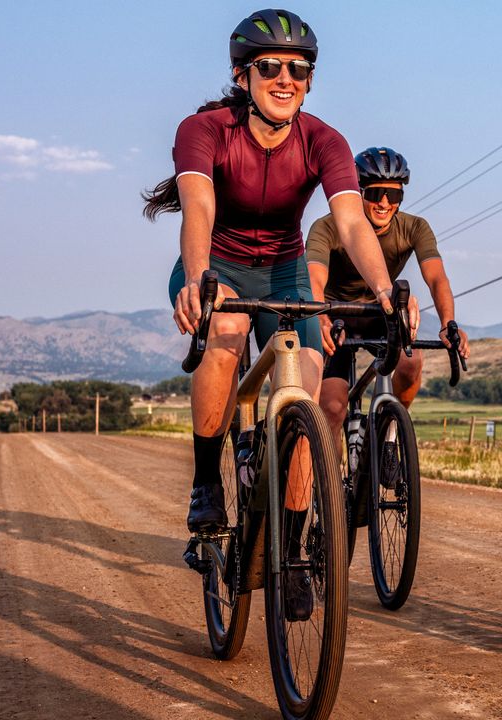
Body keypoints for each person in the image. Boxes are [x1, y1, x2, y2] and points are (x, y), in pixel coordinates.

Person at [142, 9, 418, 537]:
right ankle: (206, 483)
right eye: (269, 67)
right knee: (225, 338)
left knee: (306, 390)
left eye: (297, 69)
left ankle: (292, 540)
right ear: (244, 76)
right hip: (217, 261)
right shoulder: (203, 131)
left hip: (284, 271)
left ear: (310, 82)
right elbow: (198, 207)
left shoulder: (324, 140)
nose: (284, 79)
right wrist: (201, 278)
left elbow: (353, 224)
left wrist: (386, 289)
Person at [306, 147, 470, 435]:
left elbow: (436, 278)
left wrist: (448, 323)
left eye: (393, 195)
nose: (384, 203)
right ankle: (329, 478)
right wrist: (318, 314)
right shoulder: (328, 227)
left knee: (410, 362)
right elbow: (314, 276)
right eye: (375, 193)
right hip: (334, 315)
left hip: (377, 311)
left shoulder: (414, 227)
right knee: (332, 407)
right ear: (358, 193)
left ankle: (387, 433)